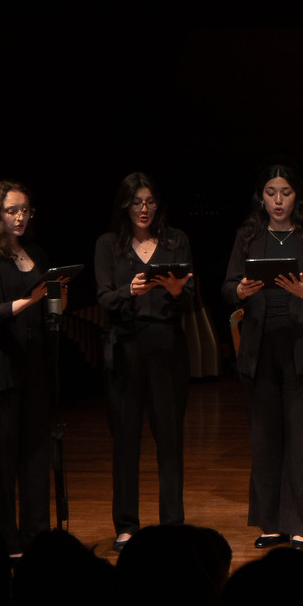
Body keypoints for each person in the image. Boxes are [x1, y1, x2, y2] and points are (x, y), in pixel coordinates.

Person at [223, 165, 303, 551]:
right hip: (260, 348)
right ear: (262, 197)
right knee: (265, 440)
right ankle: (271, 524)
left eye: (285, 192)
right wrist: (239, 289)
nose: (278, 201)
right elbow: (226, 287)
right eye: (271, 193)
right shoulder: (249, 236)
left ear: (296, 197)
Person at [0, 181, 72, 557]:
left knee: (36, 452)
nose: (20, 216)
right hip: (0, 365)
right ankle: (5, 540)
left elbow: (45, 302)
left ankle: (36, 534)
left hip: (34, 363)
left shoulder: (36, 252)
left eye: (25, 209)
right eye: (12, 210)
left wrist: (57, 296)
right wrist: (32, 299)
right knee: (2, 457)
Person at [94, 173, 194, 552]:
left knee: (169, 436)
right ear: (124, 205)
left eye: (150, 201)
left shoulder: (175, 240)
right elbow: (103, 296)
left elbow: (191, 297)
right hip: (125, 345)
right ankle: (126, 525)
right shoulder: (109, 245)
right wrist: (128, 291)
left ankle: (172, 521)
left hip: (167, 344)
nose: (144, 209)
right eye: (136, 202)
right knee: (126, 438)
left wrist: (175, 289)